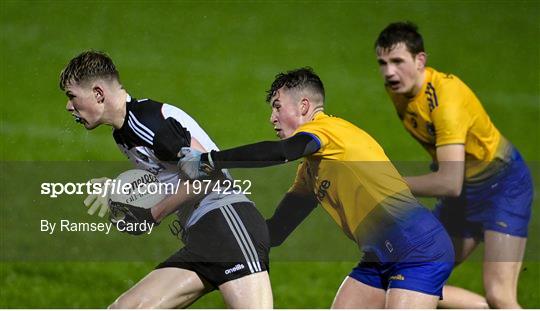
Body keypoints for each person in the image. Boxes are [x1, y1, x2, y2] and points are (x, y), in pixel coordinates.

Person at [177, 67, 455, 308]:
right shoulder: (310, 170)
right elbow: (275, 231)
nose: (272, 118)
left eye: (277, 106)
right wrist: (218, 233)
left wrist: (209, 160)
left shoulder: (328, 131)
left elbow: (281, 152)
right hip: (379, 256)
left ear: (304, 106)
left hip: (416, 247)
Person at [58, 50, 272, 308]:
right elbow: (169, 176)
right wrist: (120, 191)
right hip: (205, 236)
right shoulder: (124, 133)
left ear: (98, 93)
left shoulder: (149, 122)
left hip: (228, 226)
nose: (69, 106)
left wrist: (153, 214)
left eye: (72, 96)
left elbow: (207, 174)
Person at [373, 22, 534, 308]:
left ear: (420, 60)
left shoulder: (445, 101)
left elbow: (449, 182)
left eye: (397, 61)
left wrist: (390, 184)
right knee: (407, 276)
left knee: (500, 294)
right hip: (464, 194)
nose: (389, 72)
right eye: (382, 63)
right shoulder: (399, 90)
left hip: (503, 188)